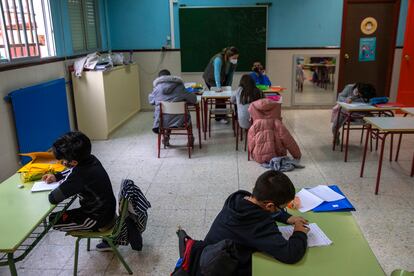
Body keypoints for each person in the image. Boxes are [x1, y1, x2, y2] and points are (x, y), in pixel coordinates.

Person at [204, 170, 309, 275]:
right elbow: (290, 254)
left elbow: (263, 209)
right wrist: (299, 232)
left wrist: (287, 218)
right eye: (281, 208)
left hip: (207, 254)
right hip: (220, 268)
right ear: (269, 206)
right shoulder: (258, 224)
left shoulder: (240, 198)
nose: (282, 210)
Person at [43, 131, 116, 233]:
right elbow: (72, 170)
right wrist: (56, 176)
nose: (62, 163)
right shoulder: (90, 159)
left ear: (73, 162)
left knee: (53, 219)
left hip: (96, 218)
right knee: (62, 215)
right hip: (106, 210)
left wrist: (61, 184)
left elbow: (53, 198)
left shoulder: (80, 176)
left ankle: (104, 234)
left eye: (63, 160)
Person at [149, 69, 197, 146]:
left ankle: (166, 137)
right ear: (170, 76)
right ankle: (190, 138)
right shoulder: (179, 86)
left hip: (162, 121)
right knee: (185, 115)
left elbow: (151, 101)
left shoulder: (156, 89)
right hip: (181, 120)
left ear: (158, 78)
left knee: (167, 115)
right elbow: (194, 99)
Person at [248, 98, 301, 164]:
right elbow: (288, 140)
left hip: (258, 157)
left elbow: (250, 142)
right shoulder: (277, 123)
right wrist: (297, 155)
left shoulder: (254, 126)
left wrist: (251, 154)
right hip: (277, 155)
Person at [203, 46, 239, 124]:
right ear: (229, 56)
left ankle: (222, 115)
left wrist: (228, 87)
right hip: (211, 78)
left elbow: (230, 76)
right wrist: (218, 87)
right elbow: (217, 74)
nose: (235, 59)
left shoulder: (233, 62)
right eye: (234, 57)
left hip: (222, 78)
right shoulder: (218, 59)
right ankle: (219, 117)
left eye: (237, 57)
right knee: (220, 97)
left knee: (223, 96)